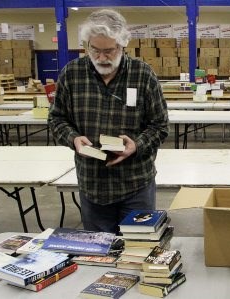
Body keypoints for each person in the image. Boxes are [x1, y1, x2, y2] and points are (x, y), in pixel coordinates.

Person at [48, 9, 169, 234]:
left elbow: (160, 126)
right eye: (95, 50)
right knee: (99, 252)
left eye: (109, 51)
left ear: (122, 45)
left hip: (135, 183)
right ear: (87, 45)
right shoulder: (71, 74)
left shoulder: (142, 74)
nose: (102, 58)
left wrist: (137, 145)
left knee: (137, 247)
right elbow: (56, 119)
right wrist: (73, 139)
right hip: (92, 184)